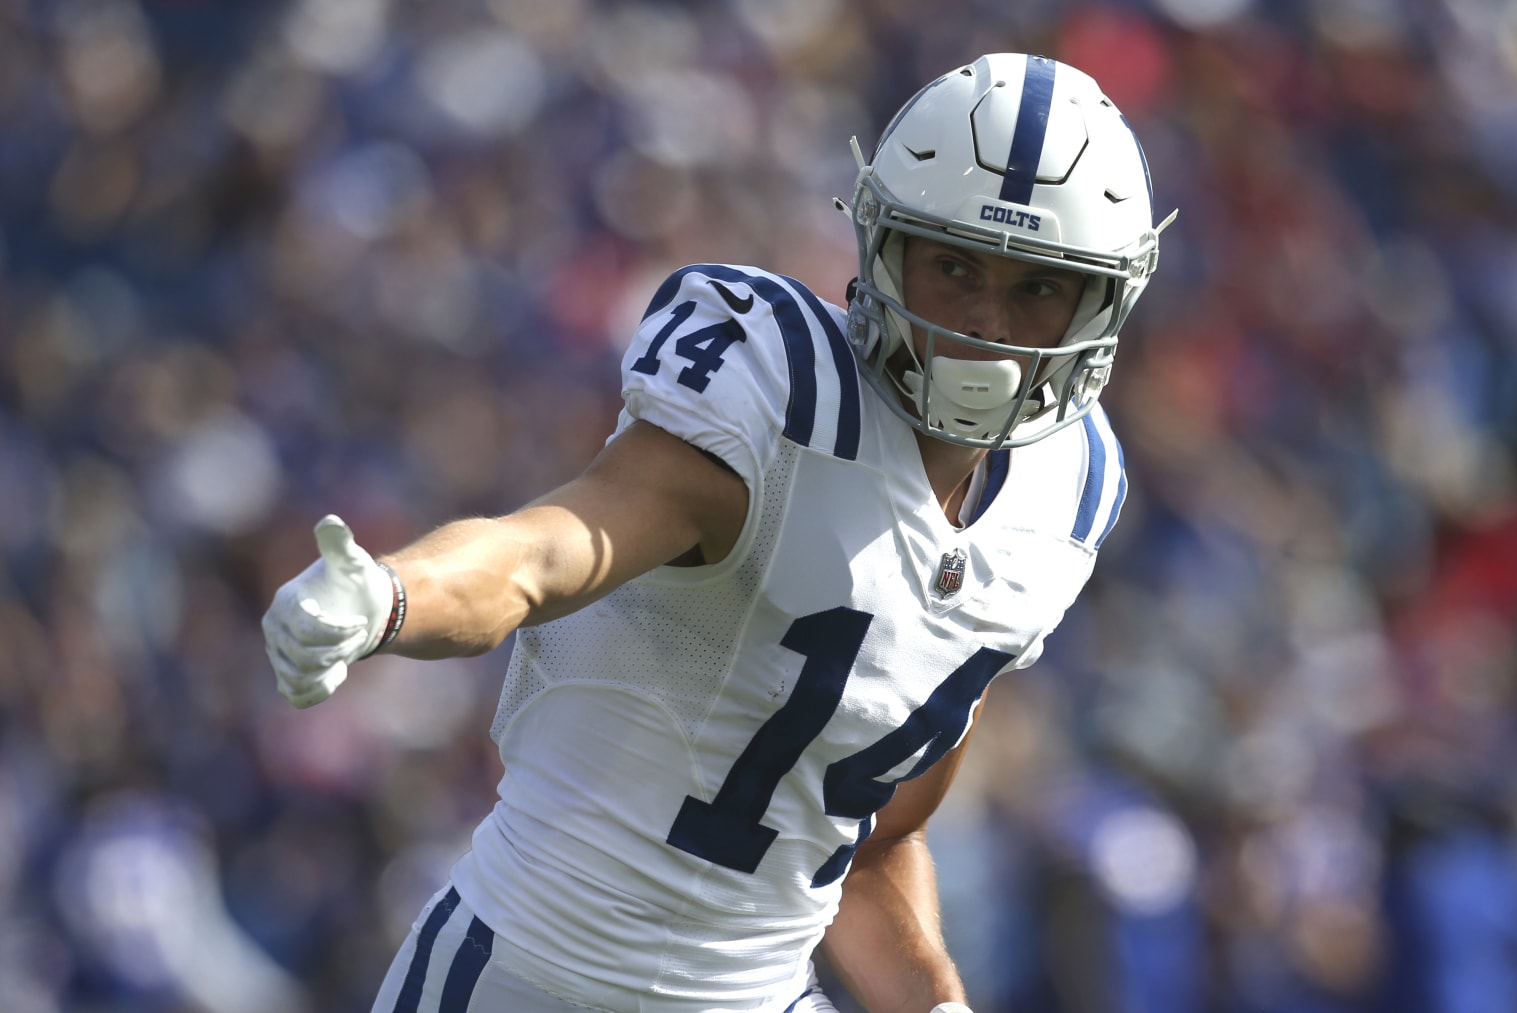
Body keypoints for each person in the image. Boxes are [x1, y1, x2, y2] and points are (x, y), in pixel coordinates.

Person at [262, 52, 1173, 1013]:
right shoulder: (780, 395)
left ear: (1102, 305)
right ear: (882, 246)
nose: (986, 325)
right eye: (953, 267)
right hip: (531, 974)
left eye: (1037, 288)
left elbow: (865, 842)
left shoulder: (1066, 492)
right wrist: (393, 593)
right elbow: (543, 552)